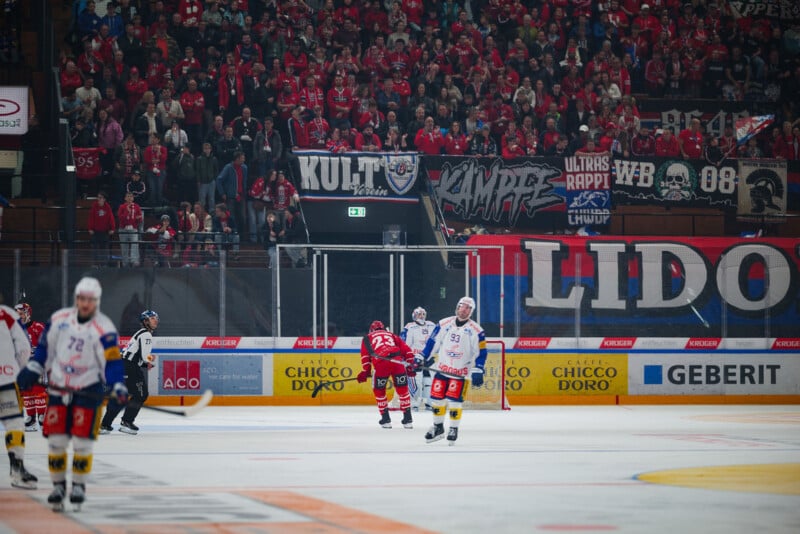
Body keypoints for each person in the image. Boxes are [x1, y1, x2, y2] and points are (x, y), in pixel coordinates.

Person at [16, 277, 128, 510]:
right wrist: (34, 368)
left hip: (88, 392)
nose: (86, 304)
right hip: (58, 389)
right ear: (77, 299)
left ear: (96, 302)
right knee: (56, 442)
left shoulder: (104, 327)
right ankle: (58, 486)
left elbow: (112, 360)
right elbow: (44, 350)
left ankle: (78, 485)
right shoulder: (58, 320)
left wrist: (118, 384)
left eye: (91, 300)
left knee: (82, 442)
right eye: (82, 299)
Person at [420, 296, 486, 445]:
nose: (464, 310)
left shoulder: (476, 330)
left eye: (468, 308)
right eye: (462, 306)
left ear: (472, 311)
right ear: (457, 307)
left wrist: (479, 368)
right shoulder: (443, 323)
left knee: (455, 401)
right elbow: (432, 342)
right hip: (442, 369)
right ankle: (438, 428)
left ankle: (453, 429)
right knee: (437, 400)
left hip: (460, 373)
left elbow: (481, 352)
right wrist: (422, 356)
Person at [100, 310, 159, 435]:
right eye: (152, 318)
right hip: (129, 367)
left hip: (123, 365)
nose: (156, 320)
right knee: (141, 394)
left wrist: (145, 363)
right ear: (145, 321)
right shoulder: (146, 335)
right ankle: (127, 422)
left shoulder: (140, 333)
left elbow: (135, 355)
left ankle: (105, 425)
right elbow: (144, 356)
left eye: (156, 318)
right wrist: (150, 361)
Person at [1, 300, 36, 489]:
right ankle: (17, 469)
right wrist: (21, 371)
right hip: (6, 380)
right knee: (14, 424)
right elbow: (24, 349)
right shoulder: (7, 315)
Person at [357, 320, 416, 429]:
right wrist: (410, 364)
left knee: (379, 391)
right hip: (397, 362)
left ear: (371, 330)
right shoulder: (391, 335)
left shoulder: (367, 337)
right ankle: (408, 419)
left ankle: (386, 419)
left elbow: (365, 357)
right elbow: (407, 350)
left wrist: (366, 371)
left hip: (381, 363)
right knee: (403, 390)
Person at [15, 302, 47, 431]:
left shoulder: (38, 327)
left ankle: (42, 416)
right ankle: (31, 418)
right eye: (17, 314)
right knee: (26, 391)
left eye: (22, 313)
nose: (20, 316)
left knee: (38, 390)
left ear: (28, 313)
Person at [399, 306, 436, 410]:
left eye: (423, 314)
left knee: (430, 380)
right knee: (417, 382)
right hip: (415, 358)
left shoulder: (431, 325)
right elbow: (405, 343)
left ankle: (430, 403)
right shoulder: (410, 327)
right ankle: (414, 404)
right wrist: (405, 356)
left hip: (428, 358)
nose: (421, 316)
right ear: (414, 316)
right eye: (419, 314)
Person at [87, 192, 116, 266]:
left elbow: (111, 218)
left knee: (104, 250)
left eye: (100, 197)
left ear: (104, 199)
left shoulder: (107, 207)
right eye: (98, 197)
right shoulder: (94, 206)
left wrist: (112, 228)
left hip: (105, 232)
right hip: (95, 232)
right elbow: (91, 218)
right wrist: (90, 228)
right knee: (95, 249)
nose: (98, 199)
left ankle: (104, 264)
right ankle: (95, 264)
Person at [117, 191, 143, 267]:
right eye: (128, 196)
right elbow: (120, 218)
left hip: (133, 229)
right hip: (123, 229)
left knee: (135, 244)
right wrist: (127, 212)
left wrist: (136, 218)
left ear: (133, 198)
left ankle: (134, 261)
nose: (129, 198)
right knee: (124, 247)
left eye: (131, 196)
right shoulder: (122, 207)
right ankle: (125, 263)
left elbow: (140, 219)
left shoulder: (137, 206)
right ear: (125, 198)